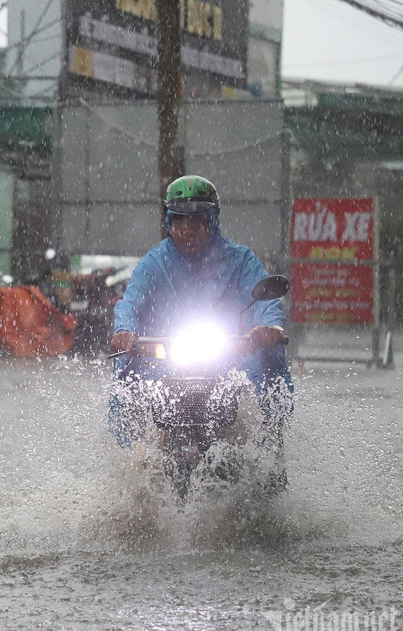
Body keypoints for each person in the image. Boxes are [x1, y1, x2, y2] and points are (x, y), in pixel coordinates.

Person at [108, 175, 292, 485]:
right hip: (166, 358)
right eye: (180, 222)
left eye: (197, 222)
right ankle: (128, 464)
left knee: (270, 358)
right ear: (169, 223)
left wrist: (268, 328)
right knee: (125, 370)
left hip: (231, 355)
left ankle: (270, 448)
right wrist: (125, 330)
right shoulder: (155, 262)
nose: (188, 230)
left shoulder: (241, 260)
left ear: (212, 221)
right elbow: (130, 303)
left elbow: (265, 306)